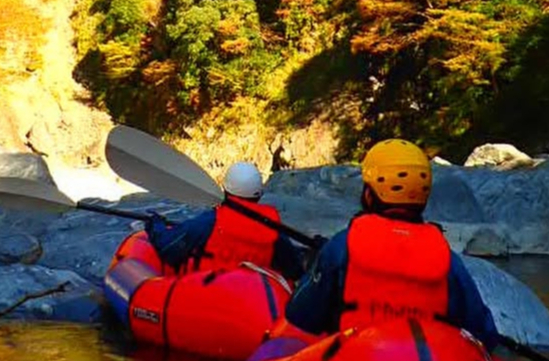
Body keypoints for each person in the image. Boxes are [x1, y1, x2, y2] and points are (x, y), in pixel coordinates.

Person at [284, 139, 500, 348]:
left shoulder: (341, 247)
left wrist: (316, 266)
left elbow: (301, 315)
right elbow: (484, 335)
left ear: (369, 195)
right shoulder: (447, 260)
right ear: (422, 198)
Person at [146, 162, 305, 281]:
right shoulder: (274, 232)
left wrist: (156, 225)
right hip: (252, 305)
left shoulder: (210, 221)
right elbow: (295, 270)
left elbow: (168, 247)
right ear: (258, 195)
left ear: (225, 190)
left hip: (206, 298)